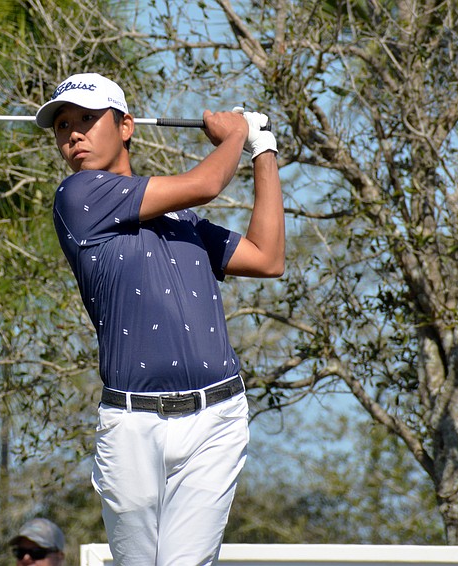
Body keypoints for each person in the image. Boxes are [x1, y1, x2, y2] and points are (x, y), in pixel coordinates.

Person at [35, 73, 284, 565]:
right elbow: (208, 183)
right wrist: (234, 133)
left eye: (87, 119)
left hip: (217, 418)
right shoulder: (78, 197)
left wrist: (263, 149)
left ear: (125, 126)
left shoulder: (180, 221)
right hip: (131, 427)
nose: (74, 134)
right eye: (63, 126)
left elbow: (267, 257)